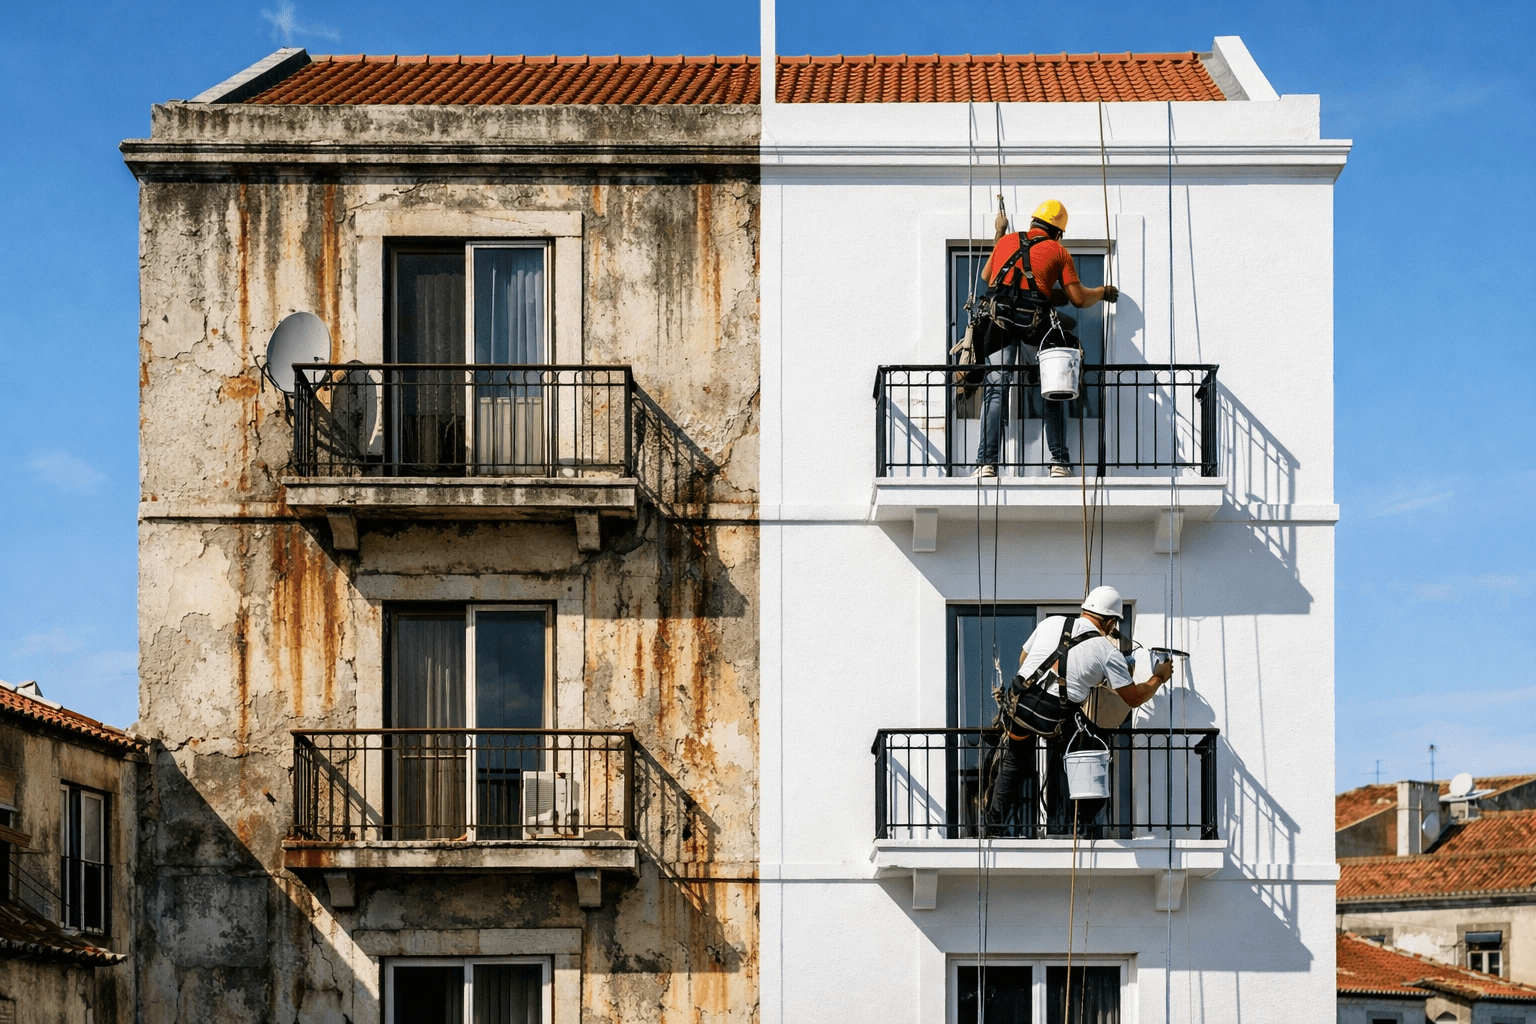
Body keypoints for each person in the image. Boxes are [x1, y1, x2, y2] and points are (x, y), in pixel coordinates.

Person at [984, 585, 1172, 835]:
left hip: (1020, 706)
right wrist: (1158, 678)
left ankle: (994, 827)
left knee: (1014, 761)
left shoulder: (1050, 623)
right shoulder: (1107, 651)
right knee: (1089, 750)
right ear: (1110, 622)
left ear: (1086, 610)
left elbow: (1023, 660)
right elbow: (1134, 697)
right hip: (1052, 716)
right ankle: (1087, 823)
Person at [970, 200, 1120, 479]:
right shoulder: (1058, 252)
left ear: (1033, 223)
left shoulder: (1007, 242)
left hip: (999, 322)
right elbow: (1078, 298)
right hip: (1033, 324)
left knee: (995, 391)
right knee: (1053, 388)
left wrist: (999, 234)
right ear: (1058, 232)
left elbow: (987, 276)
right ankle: (1059, 462)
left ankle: (986, 463)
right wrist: (1102, 292)